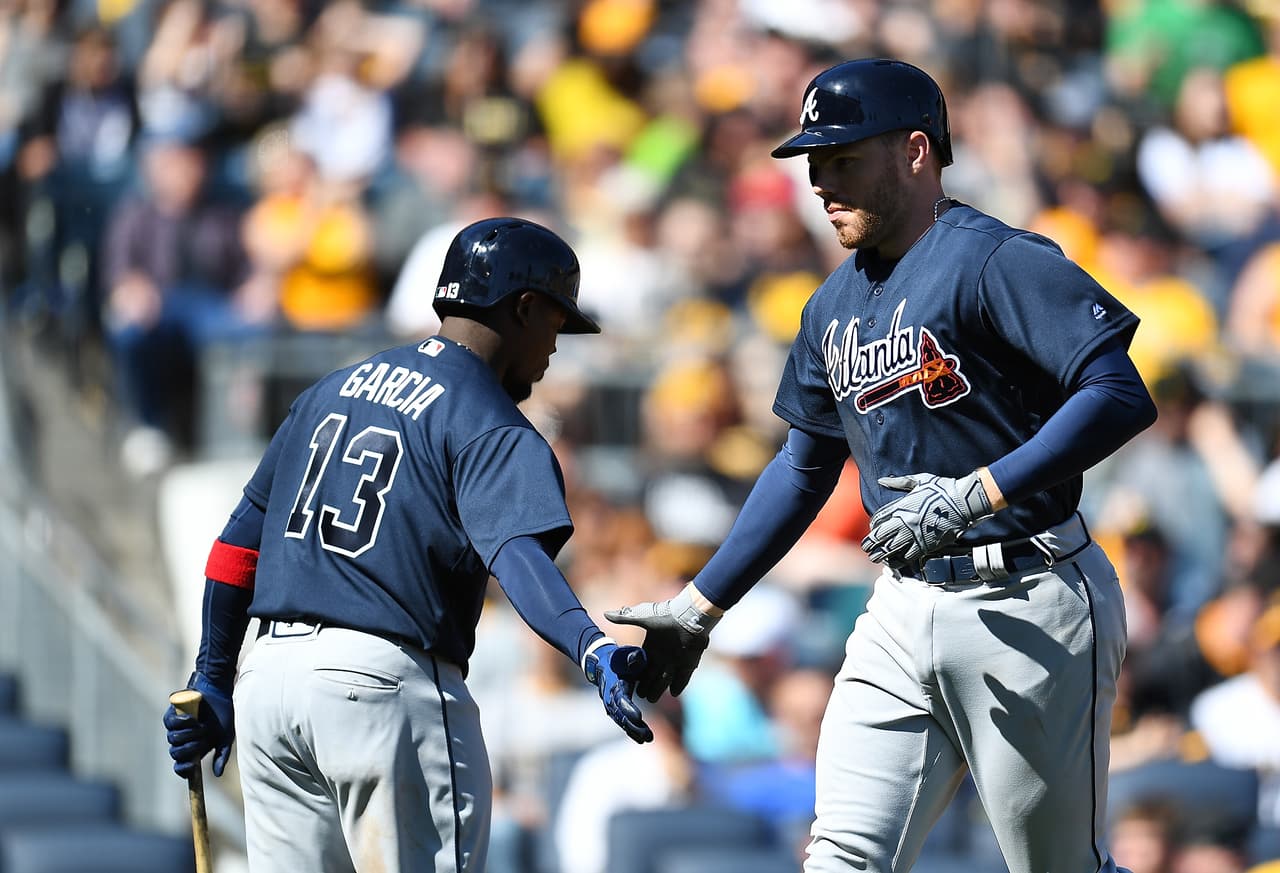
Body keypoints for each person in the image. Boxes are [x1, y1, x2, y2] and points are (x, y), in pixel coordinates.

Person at [607, 58, 1158, 873]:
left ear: (914, 151)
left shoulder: (993, 259)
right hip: (899, 609)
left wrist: (981, 491)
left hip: (1031, 594)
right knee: (839, 858)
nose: (823, 184)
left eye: (844, 159)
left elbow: (1118, 392)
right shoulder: (830, 304)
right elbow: (801, 469)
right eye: (815, 165)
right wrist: (700, 605)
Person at [162, 216, 653, 873]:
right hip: (381, 686)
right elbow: (516, 556)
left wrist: (214, 675)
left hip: (268, 688)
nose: (556, 349)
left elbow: (233, 554)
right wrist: (590, 645)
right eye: (557, 325)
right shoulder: (491, 422)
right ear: (526, 307)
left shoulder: (328, 391)